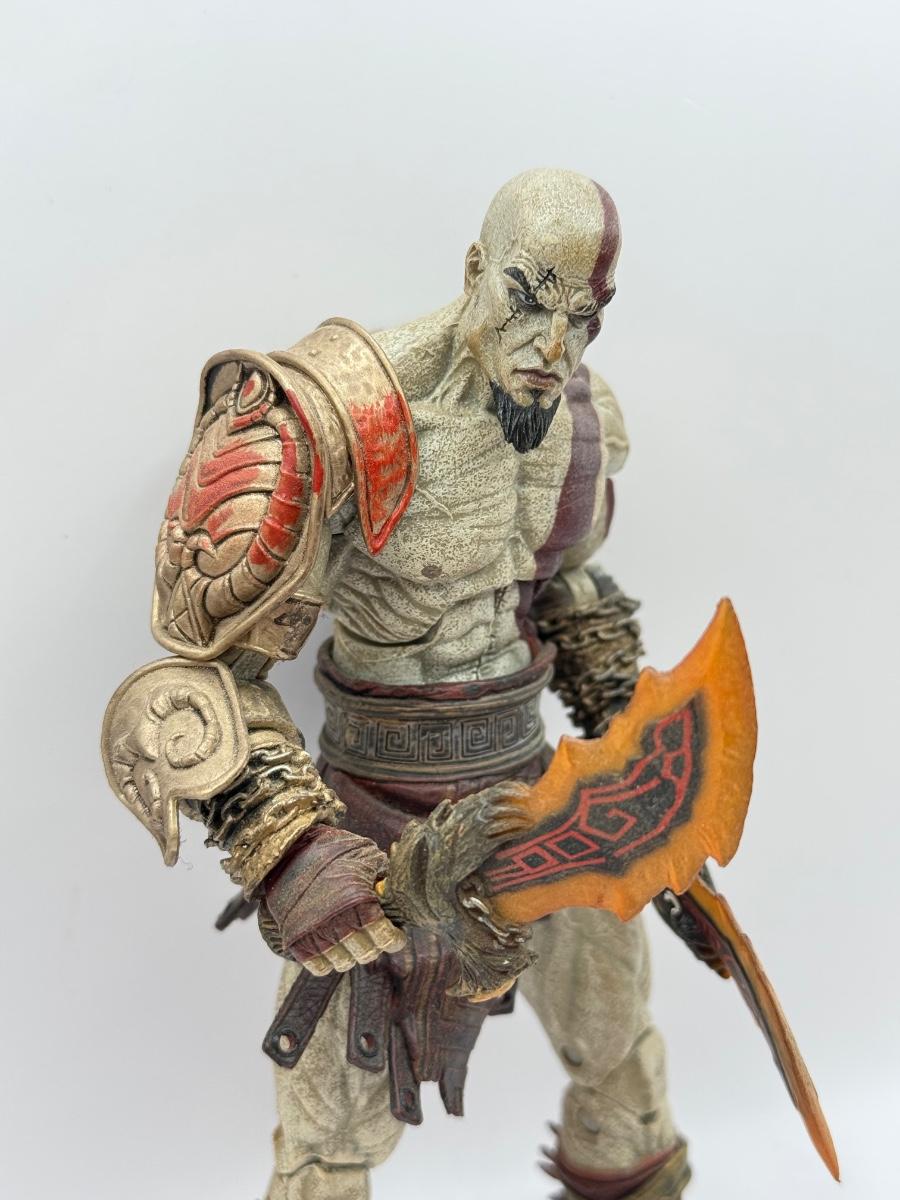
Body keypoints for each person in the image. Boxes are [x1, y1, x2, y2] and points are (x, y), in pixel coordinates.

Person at [102, 169, 690, 1200]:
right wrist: (287, 844)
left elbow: (565, 593)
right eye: (527, 299)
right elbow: (195, 684)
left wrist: (651, 762)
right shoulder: (332, 418)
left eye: (583, 317)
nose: (552, 346)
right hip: (376, 837)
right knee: (330, 1147)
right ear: (475, 270)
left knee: (624, 1075)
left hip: (542, 806)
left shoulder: (582, 421)